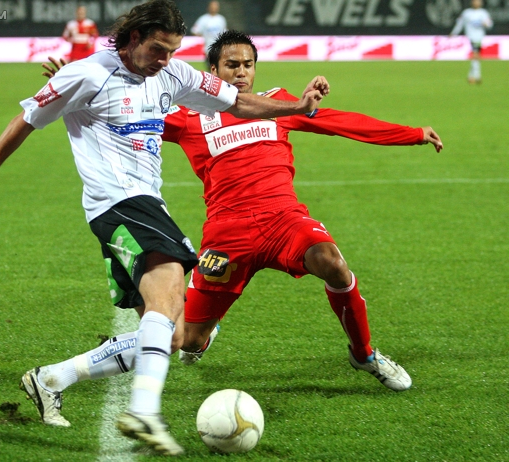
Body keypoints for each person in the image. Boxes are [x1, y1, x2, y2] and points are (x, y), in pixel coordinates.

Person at [0, 0, 328, 455]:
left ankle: (54, 377)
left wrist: (299, 106)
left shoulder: (173, 75)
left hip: (145, 204)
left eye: (172, 50)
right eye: (157, 49)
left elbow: (240, 102)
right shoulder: (87, 74)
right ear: (133, 39)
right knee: (173, 283)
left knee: (173, 334)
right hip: (116, 203)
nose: (165, 60)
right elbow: (26, 120)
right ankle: (144, 412)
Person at [41, 30, 443, 392]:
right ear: (213, 70)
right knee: (189, 339)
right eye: (232, 65)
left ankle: (364, 354)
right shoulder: (186, 117)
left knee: (333, 263)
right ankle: (205, 335)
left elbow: (342, 123)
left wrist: (411, 135)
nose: (241, 72)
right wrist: (76, 88)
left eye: (248, 65)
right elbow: (121, 114)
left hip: (285, 221)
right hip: (227, 237)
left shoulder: (276, 105)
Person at [450, 0, 493, 84]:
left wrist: (486, 24)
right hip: (469, 37)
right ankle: (476, 76)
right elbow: (459, 24)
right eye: (475, 1)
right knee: (475, 55)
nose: (476, 3)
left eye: (478, 2)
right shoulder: (466, 13)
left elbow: (490, 24)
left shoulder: (483, 13)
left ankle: (471, 76)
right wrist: (453, 33)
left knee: (475, 55)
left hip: (479, 37)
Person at [191, 1, 227, 70]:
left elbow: (224, 32)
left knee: (220, 67)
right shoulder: (203, 19)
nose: (214, 8)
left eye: (215, 6)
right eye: (212, 6)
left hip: (219, 48)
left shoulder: (221, 19)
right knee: (210, 67)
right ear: (209, 7)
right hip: (208, 48)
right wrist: (203, 35)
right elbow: (195, 31)